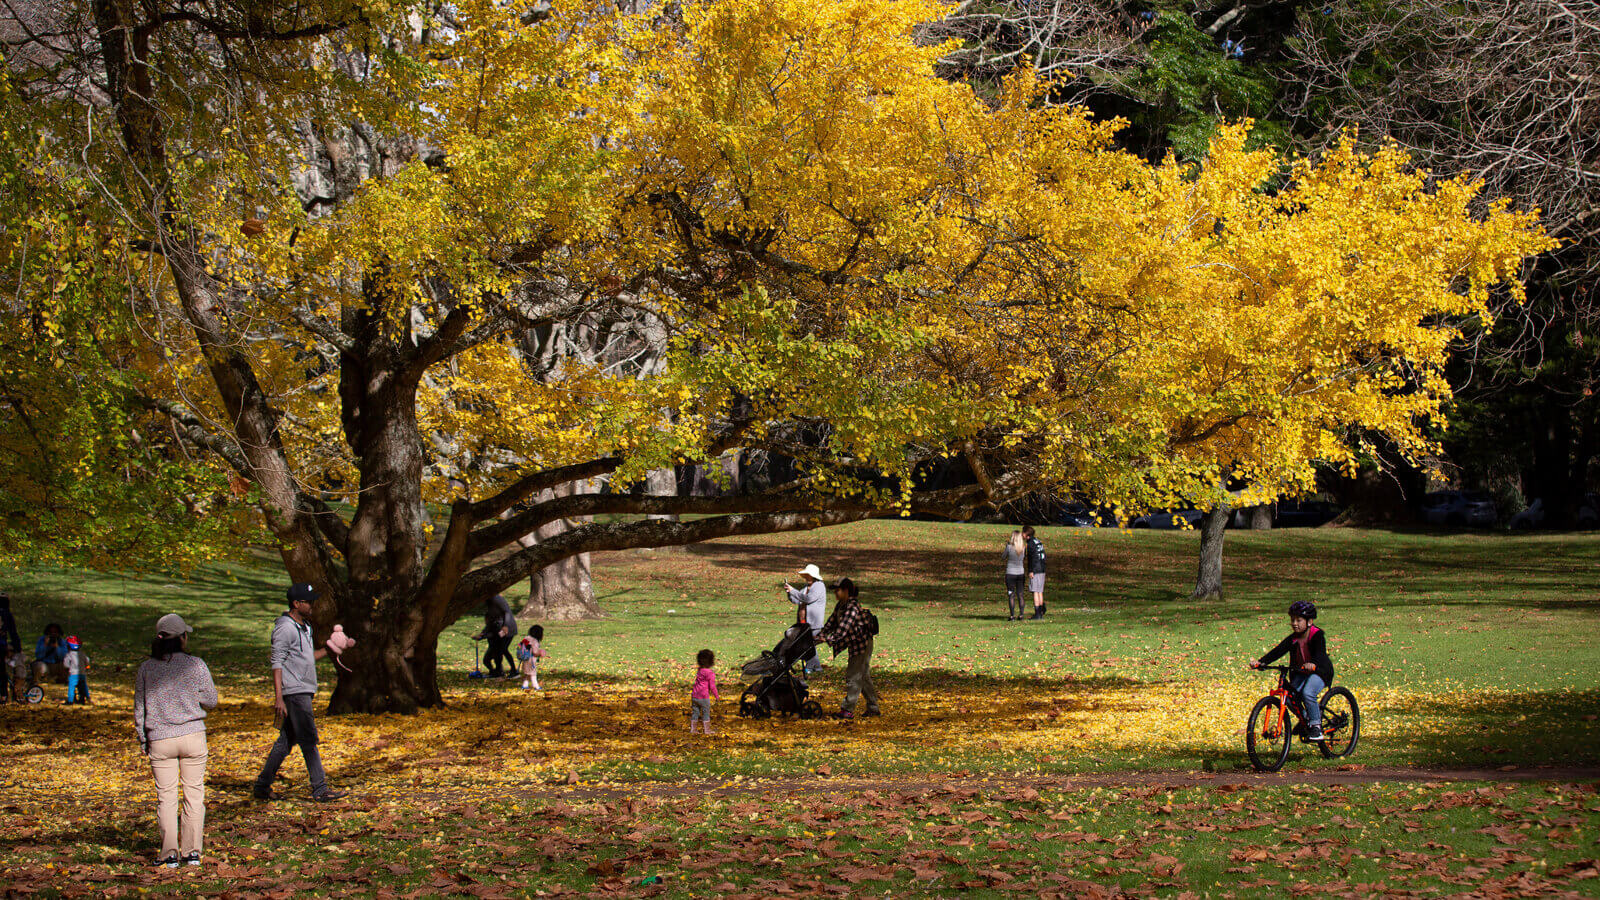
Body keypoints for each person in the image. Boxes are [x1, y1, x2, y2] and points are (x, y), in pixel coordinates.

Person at [134, 613, 218, 867]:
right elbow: (211, 700)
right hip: (192, 735)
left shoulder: (147, 668)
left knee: (166, 797)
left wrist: (143, 738)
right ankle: (192, 851)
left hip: (160, 738)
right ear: (182, 638)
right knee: (194, 793)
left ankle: (169, 853)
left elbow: (140, 708)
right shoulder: (196, 664)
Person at [252, 582, 345, 802]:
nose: (312, 604)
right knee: (309, 739)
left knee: (285, 741)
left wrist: (331, 649)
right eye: (308, 601)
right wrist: (279, 698)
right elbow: (276, 663)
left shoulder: (305, 627)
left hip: (303, 689)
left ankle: (262, 786)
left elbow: (306, 658)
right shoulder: (285, 627)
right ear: (296, 604)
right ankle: (320, 789)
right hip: (294, 692)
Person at [1251, 600, 1335, 742]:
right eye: (1292, 620)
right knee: (1288, 696)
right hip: (1301, 672)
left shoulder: (1317, 635)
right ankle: (1306, 719)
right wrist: (1262, 662)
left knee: (1308, 692)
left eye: (1298, 620)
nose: (1294, 623)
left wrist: (1313, 663)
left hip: (1319, 671)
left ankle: (1316, 726)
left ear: (1309, 621)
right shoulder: (1293, 639)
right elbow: (1278, 651)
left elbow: (1320, 653)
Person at [817, 578, 879, 719]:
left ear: (846, 591)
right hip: (854, 644)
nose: (835, 593)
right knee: (863, 676)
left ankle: (847, 709)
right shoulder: (841, 605)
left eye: (838, 590)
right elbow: (830, 624)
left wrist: (827, 639)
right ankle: (873, 708)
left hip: (862, 644)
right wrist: (819, 635)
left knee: (854, 675)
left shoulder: (852, 607)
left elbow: (842, 630)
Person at [783, 564, 828, 675]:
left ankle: (813, 667)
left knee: (808, 645)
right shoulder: (806, 587)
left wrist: (793, 590)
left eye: (807, 574)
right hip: (803, 622)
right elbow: (797, 600)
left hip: (813, 623)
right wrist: (789, 593)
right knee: (807, 645)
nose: (806, 576)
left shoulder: (819, 586)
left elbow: (808, 599)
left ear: (812, 575)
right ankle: (814, 667)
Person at [477, 594, 517, 679]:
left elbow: (507, 612)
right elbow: (490, 622)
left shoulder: (496, 599)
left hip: (507, 628)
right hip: (497, 630)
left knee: (503, 649)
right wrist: (482, 633)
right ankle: (497, 672)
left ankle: (514, 671)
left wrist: (505, 626)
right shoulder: (489, 604)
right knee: (497, 651)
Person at [688, 648, 718, 734]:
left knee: (695, 712)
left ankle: (693, 729)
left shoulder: (699, 670)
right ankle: (707, 730)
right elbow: (712, 686)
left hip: (695, 695)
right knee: (706, 713)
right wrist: (716, 696)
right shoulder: (710, 673)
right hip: (704, 697)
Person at [1003, 531, 1027, 621]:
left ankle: (1012, 615)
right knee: (1020, 594)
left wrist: (1006, 547)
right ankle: (1021, 615)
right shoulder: (1023, 548)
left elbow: (1003, 556)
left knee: (1011, 595)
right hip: (1020, 573)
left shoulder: (1009, 547)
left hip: (1010, 573)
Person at [1023, 526, 1047, 619]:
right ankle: (1040, 611)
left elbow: (1032, 558)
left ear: (1026, 534)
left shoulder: (1031, 543)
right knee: (1040, 591)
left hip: (1036, 569)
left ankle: (1037, 613)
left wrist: (1031, 570)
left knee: (1035, 591)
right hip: (1042, 568)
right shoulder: (1038, 541)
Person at [518, 625, 546, 691]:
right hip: (531, 660)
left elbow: (520, 645)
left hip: (524, 658)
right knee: (533, 673)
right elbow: (535, 652)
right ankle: (536, 686)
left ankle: (525, 685)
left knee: (527, 673)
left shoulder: (527, 638)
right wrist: (541, 653)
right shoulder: (535, 641)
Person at [62, 635, 89, 704]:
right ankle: (82, 699)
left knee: (71, 687)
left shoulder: (69, 655)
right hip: (82, 674)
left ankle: (70, 700)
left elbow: (66, 664)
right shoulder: (83, 654)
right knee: (82, 687)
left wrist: (67, 668)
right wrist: (86, 666)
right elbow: (87, 661)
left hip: (73, 674)